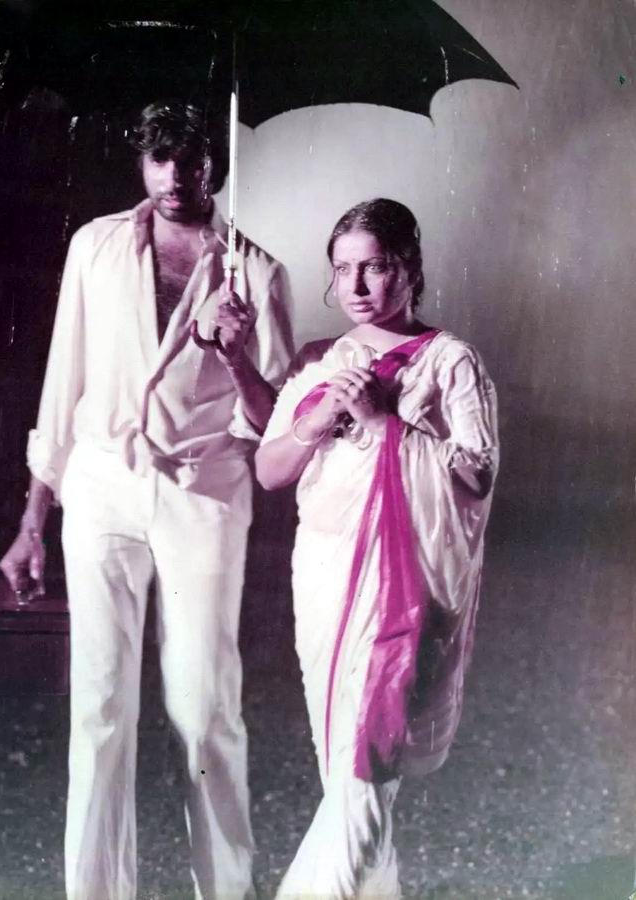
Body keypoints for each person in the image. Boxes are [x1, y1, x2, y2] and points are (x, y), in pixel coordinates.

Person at [0, 100, 294, 900]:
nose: (175, 175)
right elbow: (63, 386)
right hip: (102, 486)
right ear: (142, 161)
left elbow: (272, 425)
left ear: (214, 164)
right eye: (160, 157)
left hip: (204, 492)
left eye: (191, 158)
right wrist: (32, 522)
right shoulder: (95, 246)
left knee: (204, 711)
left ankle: (226, 892)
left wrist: (234, 350)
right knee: (98, 710)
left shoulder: (256, 274)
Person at [256, 199, 498, 899]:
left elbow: (478, 472)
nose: (357, 285)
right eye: (343, 270)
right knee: (346, 769)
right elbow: (269, 470)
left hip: (407, 583)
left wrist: (384, 422)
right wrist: (324, 415)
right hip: (326, 576)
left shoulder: (450, 360)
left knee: (366, 764)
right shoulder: (319, 361)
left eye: (376, 266)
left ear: (410, 269)